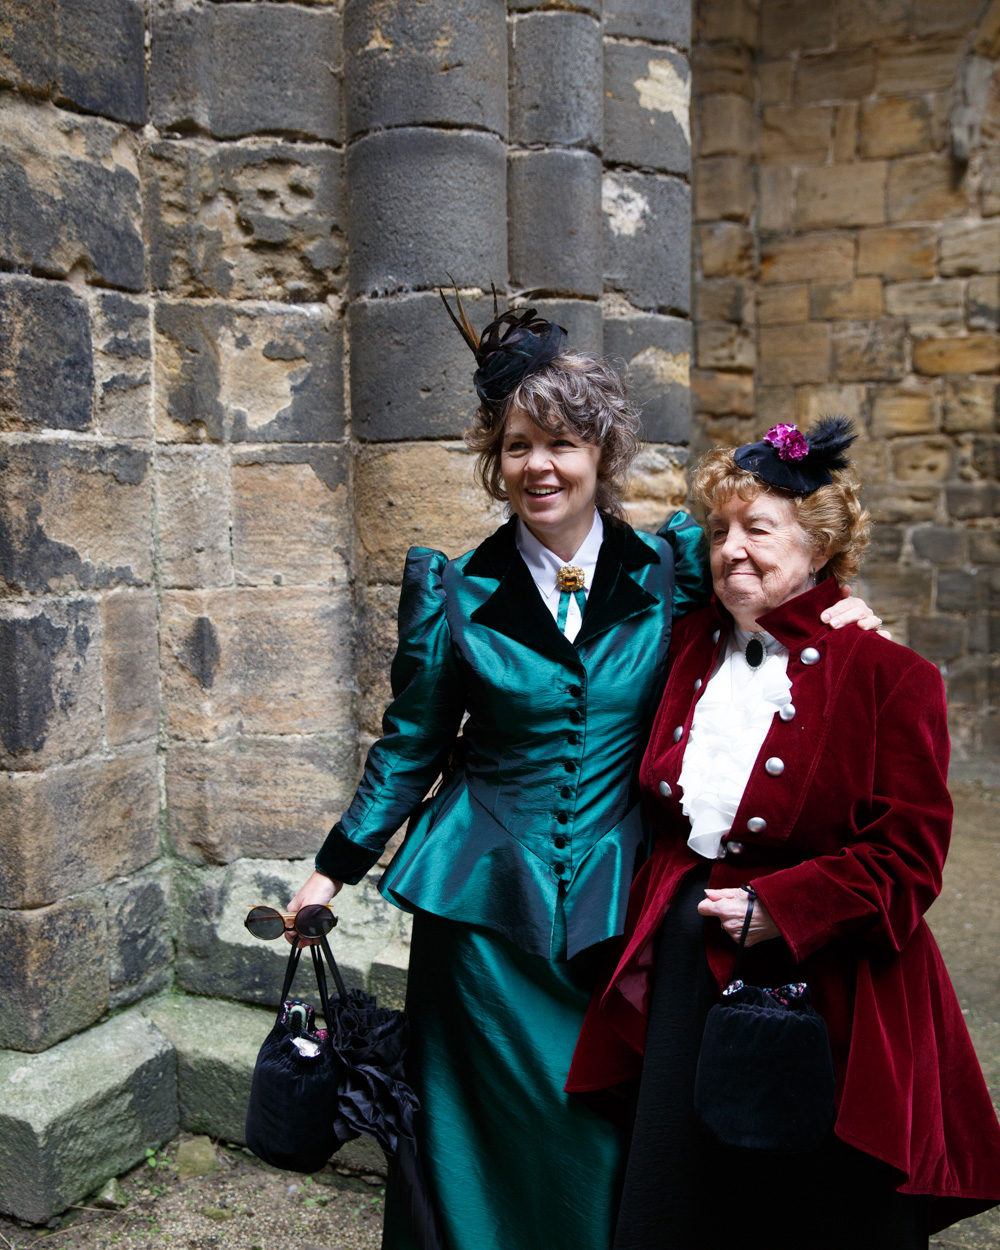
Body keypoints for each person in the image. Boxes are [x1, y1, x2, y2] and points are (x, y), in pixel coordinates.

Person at [288, 304, 882, 1250]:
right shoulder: (453, 592)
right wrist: (333, 868)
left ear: (602, 451)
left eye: (561, 442)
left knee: (612, 1136)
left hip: (622, 905)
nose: (540, 466)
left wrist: (843, 623)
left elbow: (769, 599)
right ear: (495, 458)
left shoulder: (671, 568)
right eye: (517, 444)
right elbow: (411, 744)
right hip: (482, 915)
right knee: (471, 1142)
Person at [567, 418, 1000, 1250]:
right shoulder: (687, 643)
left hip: (826, 973)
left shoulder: (890, 676)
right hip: (691, 959)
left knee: (804, 1208)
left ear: (821, 548)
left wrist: (783, 907)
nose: (733, 549)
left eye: (759, 530)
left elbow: (910, 861)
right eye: (721, 531)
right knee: (686, 1197)